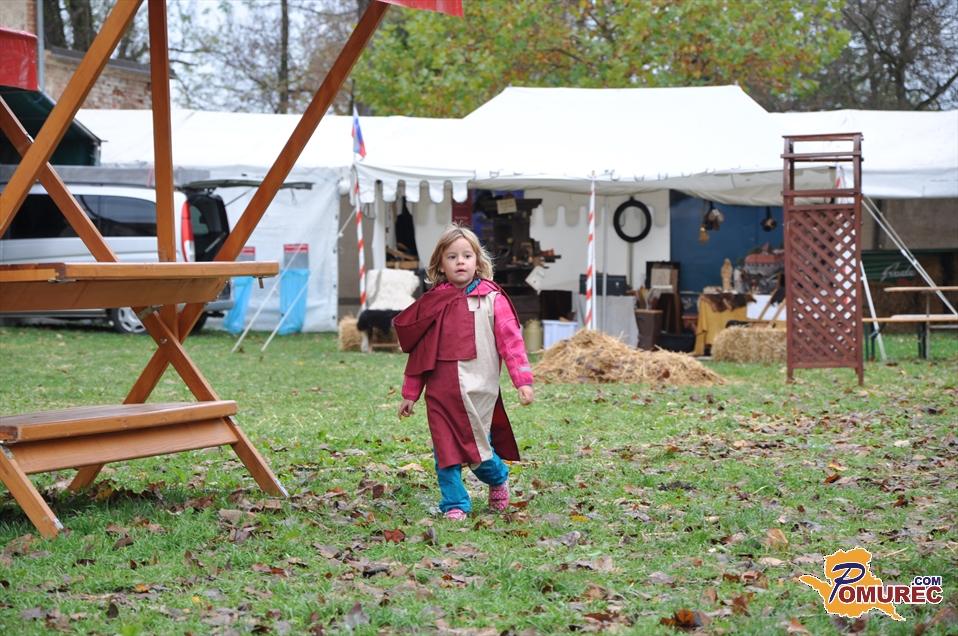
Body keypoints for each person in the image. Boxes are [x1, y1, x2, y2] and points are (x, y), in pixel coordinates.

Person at [394, 225, 534, 520]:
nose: (460, 261)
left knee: (478, 451)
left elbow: (511, 343)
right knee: (444, 450)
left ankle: (497, 476)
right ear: (440, 265)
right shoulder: (433, 303)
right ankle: (455, 503)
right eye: (452, 256)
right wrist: (410, 393)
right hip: (441, 391)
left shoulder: (492, 299)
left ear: (477, 261)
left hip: (479, 389)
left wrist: (522, 381)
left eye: (467, 256)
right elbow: (420, 352)